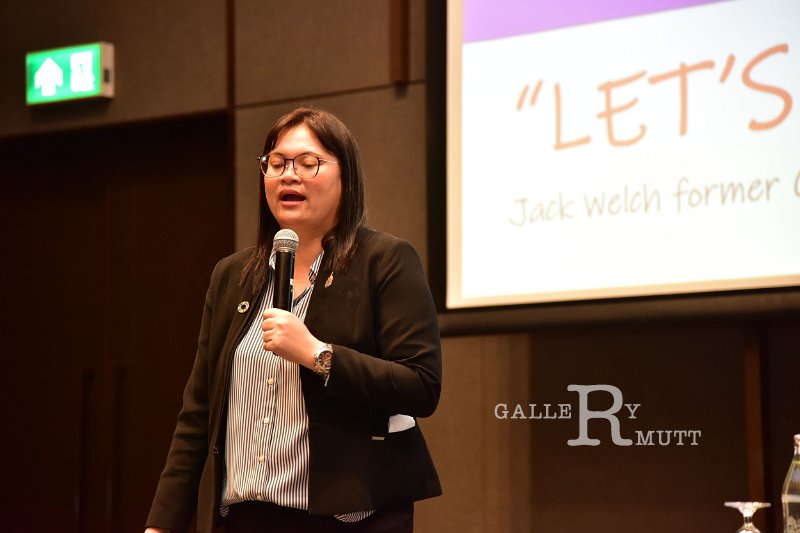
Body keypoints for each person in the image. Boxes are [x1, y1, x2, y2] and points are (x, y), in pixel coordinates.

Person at [144, 107, 442, 533]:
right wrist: (162, 524)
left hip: (345, 520)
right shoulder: (233, 274)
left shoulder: (385, 261)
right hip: (243, 519)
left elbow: (421, 386)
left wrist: (318, 355)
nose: (289, 176)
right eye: (277, 163)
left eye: (308, 163)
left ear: (346, 177)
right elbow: (198, 413)